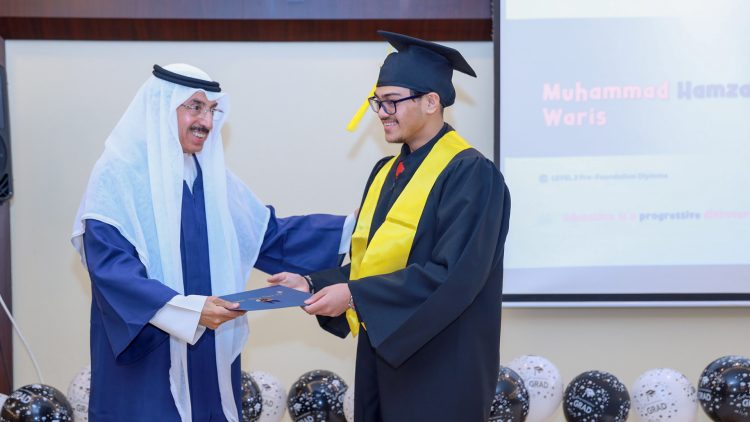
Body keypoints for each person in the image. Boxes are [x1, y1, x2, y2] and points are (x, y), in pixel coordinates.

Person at [71, 63, 352, 422]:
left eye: (212, 109)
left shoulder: (213, 179)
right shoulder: (118, 176)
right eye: (194, 107)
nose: (206, 120)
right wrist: (188, 311)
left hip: (208, 347)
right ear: (160, 108)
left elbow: (270, 236)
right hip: (149, 348)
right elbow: (111, 269)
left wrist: (360, 227)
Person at [268, 31, 512, 421]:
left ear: (431, 102)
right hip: (382, 357)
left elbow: (453, 276)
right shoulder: (386, 172)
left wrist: (354, 295)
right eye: (377, 102)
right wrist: (312, 283)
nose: (382, 112)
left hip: (442, 366)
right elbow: (374, 265)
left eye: (392, 101)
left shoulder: (472, 174)